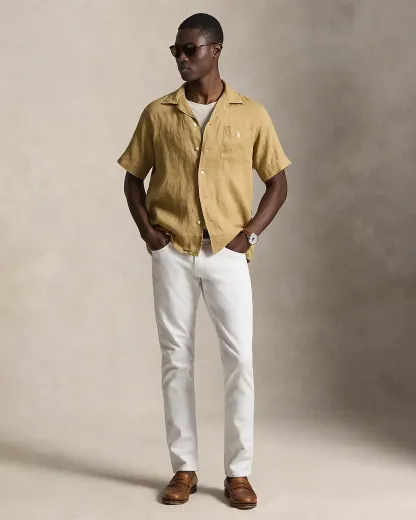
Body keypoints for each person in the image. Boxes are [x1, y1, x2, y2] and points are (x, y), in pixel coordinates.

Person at [117, 12, 291, 510]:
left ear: (216, 50)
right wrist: (149, 234)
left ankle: (239, 472)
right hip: (172, 252)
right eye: (176, 50)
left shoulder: (250, 113)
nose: (181, 58)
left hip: (227, 254)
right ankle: (184, 468)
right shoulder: (158, 114)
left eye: (190, 49)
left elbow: (278, 182)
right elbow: (132, 177)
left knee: (240, 361)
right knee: (176, 358)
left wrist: (248, 235)